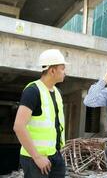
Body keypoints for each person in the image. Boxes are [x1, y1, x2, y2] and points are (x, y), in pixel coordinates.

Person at [13, 49, 69, 178]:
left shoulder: (57, 92)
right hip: (35, 159)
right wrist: (37, 157)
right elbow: (19, 126)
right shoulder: (33, 91)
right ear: (52, 70)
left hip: (55, 156)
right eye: (62, 68)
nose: (65, 72)